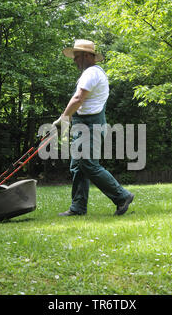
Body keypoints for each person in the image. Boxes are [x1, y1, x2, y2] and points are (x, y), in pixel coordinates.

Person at [53, 39, 134, 216]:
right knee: (77, 166)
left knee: (88, 164)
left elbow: (78, 99)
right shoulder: (91, 73)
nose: (74, 60)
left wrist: (63, 118)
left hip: (91, 125)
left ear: (87, 56)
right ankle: (78, 207)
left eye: (77, 56)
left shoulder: (91, 73)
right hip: (83, 123)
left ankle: (122, 196)